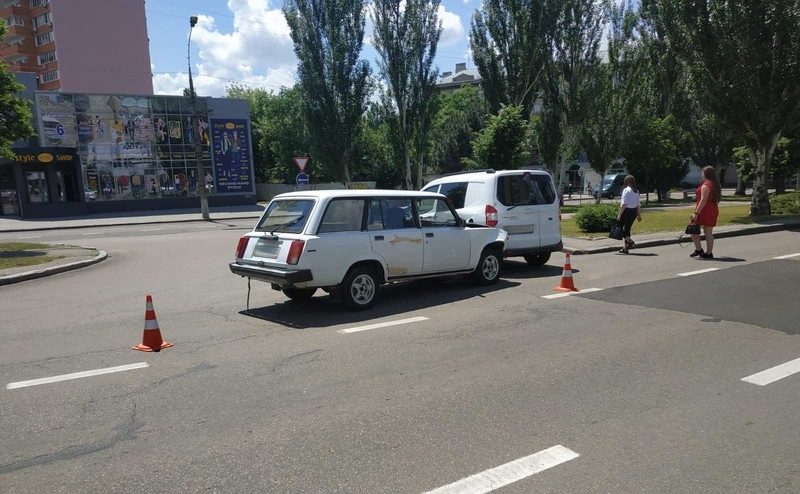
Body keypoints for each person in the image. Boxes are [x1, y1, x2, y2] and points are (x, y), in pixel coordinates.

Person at [690, 166, 721, 259]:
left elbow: (703, 201)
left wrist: (696, 213)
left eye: (702, 173)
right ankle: (708, 252)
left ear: (706, 174)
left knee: (693, 231)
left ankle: (701, 250)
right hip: (712, 209)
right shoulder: (714, 184)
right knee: (708, 233)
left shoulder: (705, 185)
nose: (701, 175)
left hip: (704, 211)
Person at [616, 175, 642, 254]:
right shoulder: (636, 191)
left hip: (626, 211)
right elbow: (638, 204)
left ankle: (629, 241)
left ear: (626, 182)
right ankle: (625, 248)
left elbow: (624, 204)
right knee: (627, 229)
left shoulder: (626, 190)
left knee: (619, 227)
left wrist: (620, 214)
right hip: (633, 212)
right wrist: (639, 215)